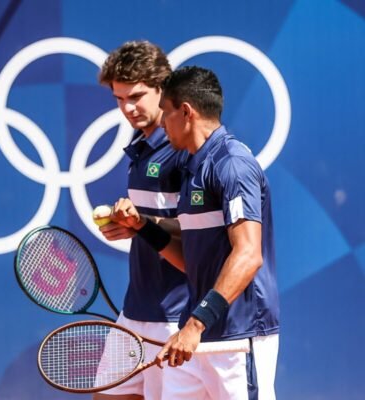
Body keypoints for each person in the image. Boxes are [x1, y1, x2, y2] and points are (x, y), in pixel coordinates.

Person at [110, 66, 280, 399]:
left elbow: (248, 254)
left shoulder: (232, 164)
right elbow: (192, 258)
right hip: (196, 338)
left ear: (186, 112)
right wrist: (143, 227)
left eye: (167, 114)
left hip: (237, 337)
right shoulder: (192, 167)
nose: (162, 123)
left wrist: (195, 323)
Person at [93, 41, 189, 400]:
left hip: (175, 317)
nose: (128, 108)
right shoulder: (141, 143)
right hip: (135, 311)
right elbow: (155, 222)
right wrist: (133, 228)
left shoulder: (183, 149)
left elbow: (203, 233)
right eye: (119, 99)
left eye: (136, 96)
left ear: (162, 88)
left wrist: (143, 226)